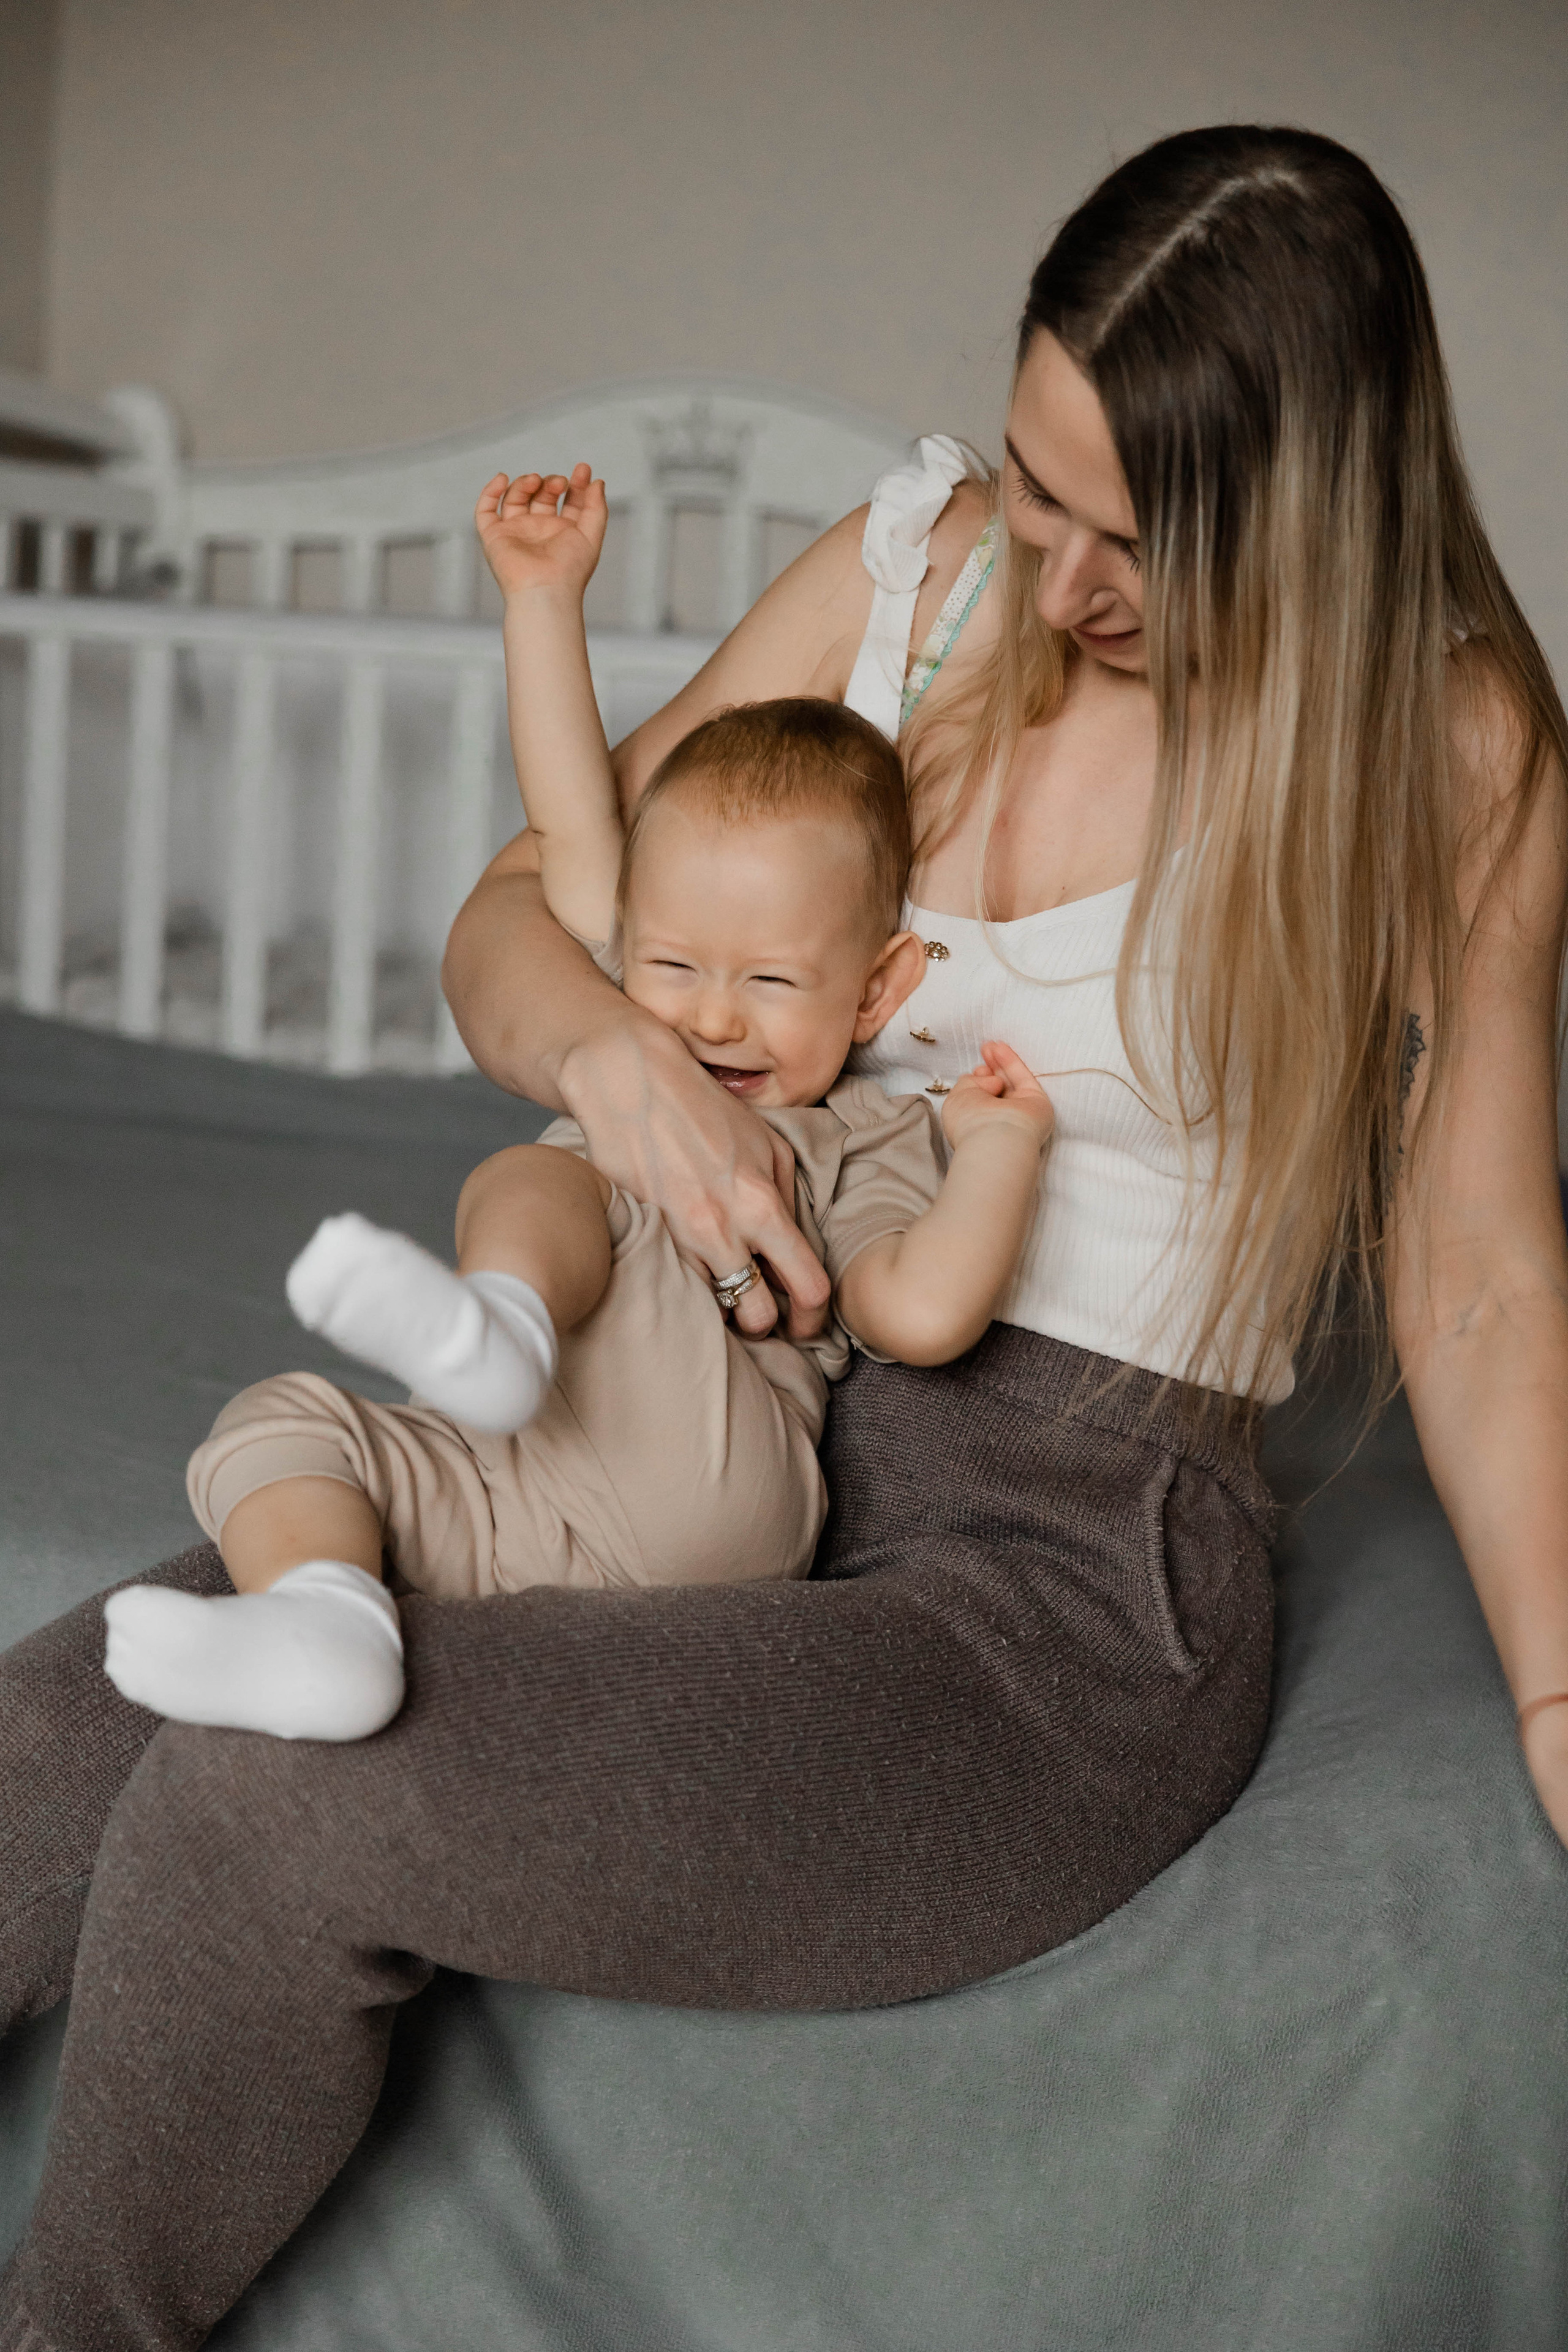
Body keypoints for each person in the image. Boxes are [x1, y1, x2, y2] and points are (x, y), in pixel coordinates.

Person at [3, 122, 1566, 2352]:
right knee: (54, 1738)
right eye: (1042, 490)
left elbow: (1490, 1272)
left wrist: (1557, 1682)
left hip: (1050, 1582)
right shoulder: (909, 575)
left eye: (1144, 540)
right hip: (704, 1411)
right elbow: (519, 911)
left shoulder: (1449, 746)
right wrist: (620, 1074)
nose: (1067, 578)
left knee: (274, 1795)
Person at [97, 483, 1052, 1744]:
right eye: (671, 967)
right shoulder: (637, 1032)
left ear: (876, 988)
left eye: (769, 983)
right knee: (281, 1424)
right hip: (516, 1479)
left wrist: (999, 1151)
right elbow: (567, 822)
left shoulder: (857, 1141)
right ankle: (332, 1629)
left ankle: (497, 1325)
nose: (709, 1021)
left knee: (551, 1176)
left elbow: (918, 1316)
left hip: (701, 1484)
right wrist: (542, 598)